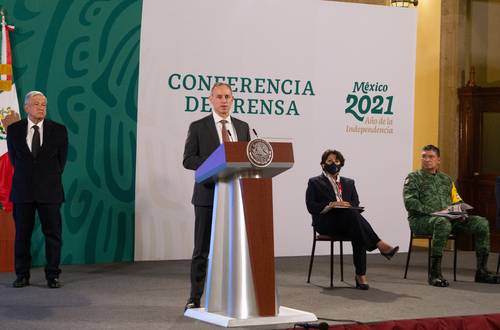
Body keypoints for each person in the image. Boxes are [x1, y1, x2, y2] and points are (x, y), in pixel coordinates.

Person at [183, 82, 250, 309]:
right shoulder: (198, 127)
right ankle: (195, 297)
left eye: (228, 97)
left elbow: (248, 159)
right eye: (219, 97)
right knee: (202, 250)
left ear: (232, 100)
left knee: (234, 249)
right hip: (207, 196)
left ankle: (233, 296)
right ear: (210, 99)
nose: (224, 101)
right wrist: (214, 164)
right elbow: (188, 159)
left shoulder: (242, 127)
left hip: (235, 197)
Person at [403, 144, 499, 287]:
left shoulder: (446, 179)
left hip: (448, 219)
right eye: (424, 156)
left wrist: (461, 212)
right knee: (442, 222)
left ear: (438, 160)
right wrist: (435, 212)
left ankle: (482, 272)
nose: (427, 160)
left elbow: (457, 199)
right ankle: (435, 274)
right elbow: (410, 203)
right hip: (422, 220)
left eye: (431, 157)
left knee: (481, 222)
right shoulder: (413, 178)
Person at [305, 149, 399, 290]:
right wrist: (331, 205)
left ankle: (361, 273)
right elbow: (311, 206)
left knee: (355, 222)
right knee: (356, 222)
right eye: (329, 161)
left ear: (341, 164)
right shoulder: (314, 182)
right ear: (322, 164)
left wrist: (346, 205)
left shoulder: (349, 182)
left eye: (337, 161)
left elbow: (355, 203)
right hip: (326, 222)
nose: (333, 164)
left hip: (347, 222)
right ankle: (374, 253)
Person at [7, 91, 68, 289]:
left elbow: (61, 162)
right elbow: (14, 160)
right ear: (26, 108)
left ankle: (53, 275)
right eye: (36, 104)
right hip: (23, 191)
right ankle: (22, 275)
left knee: (53, 234)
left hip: (50, 191)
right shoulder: (14, 130)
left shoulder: (59, 130)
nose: (41, 107)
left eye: (44, 104)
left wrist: (45, 178)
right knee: (22, 235)